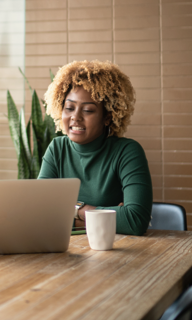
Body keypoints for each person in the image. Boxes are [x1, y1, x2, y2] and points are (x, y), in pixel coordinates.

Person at [38, 60, 152, 236]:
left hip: (114, 254)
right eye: (69, 108)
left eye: (88, 110)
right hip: (66, 252)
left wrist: (71, 213)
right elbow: (39, 213)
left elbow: (135, 221)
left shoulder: (127, 152)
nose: (75, 117)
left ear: (107, 117)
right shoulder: (57, 149)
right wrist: (102, 214)